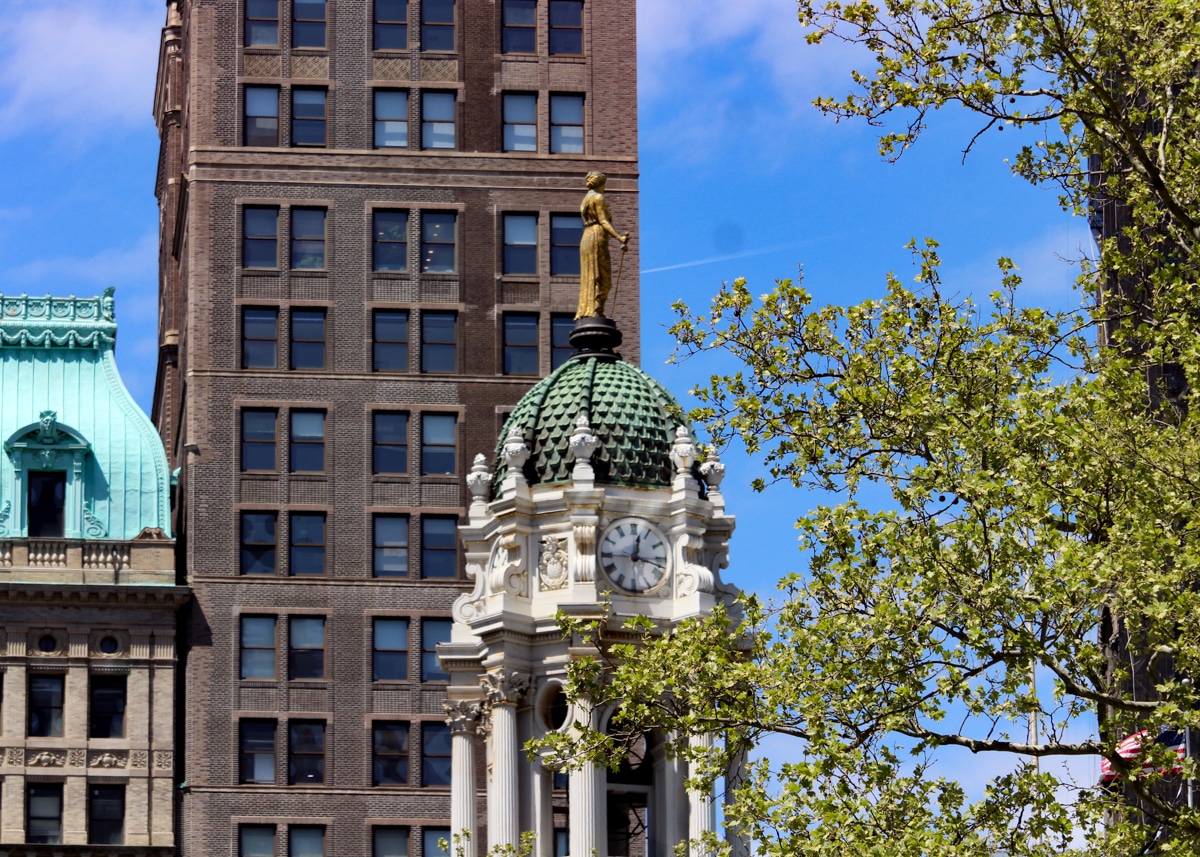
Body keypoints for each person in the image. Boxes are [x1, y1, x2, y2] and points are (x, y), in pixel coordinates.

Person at [575, 172, 630, 319]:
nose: (605, 187)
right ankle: (595, 311)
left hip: (586, 237)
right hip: (596, 236)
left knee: (590, 276)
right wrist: (619, 238)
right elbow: (603, 221)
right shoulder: (598, 198)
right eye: (604, 183)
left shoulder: (585, 199)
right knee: (602, 278)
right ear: (600, 183)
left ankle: (590, 310)